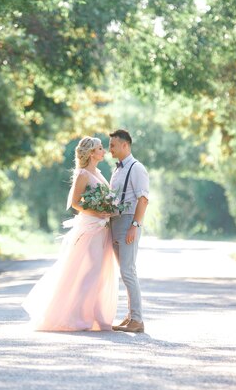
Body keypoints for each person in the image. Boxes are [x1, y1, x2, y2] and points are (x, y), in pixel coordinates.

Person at [22, 136, 118, 331]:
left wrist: (108, 209)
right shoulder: (83, 174)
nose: (104, 151)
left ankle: (95, 316)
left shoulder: (98, 172)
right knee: (90, 270)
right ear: (92, 153)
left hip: (102, 227)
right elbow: (75, 203)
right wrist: (97, 212)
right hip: (90, 227)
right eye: (100, 148)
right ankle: (77, 315)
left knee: (99, 271)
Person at [108, 129, 149, 333]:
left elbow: (143, 199)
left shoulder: (136, 168)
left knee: (128, 271)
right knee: (124, 273)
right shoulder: (117, 169)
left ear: (125, 145)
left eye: (113, 145)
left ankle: (138, 320)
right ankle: (130, 315)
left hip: (128, 222)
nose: (110, 149)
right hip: (115, 222)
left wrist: (135, 225)